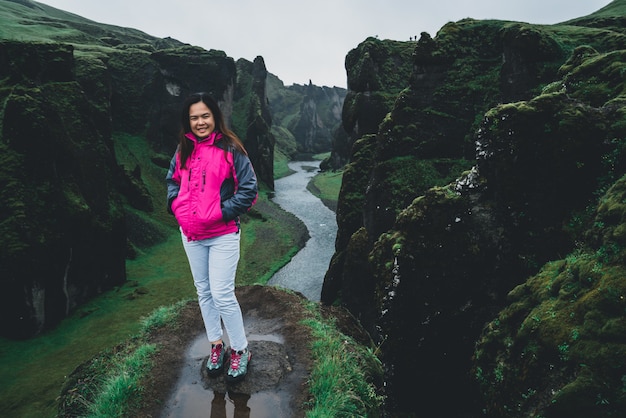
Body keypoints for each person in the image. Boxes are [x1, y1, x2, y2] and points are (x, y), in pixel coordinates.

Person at [165, 92, 258, 383]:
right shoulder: (182, 151)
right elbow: (172, 182)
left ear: (215, 116)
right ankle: (216, 344)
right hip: (191, 234)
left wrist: (218, 212)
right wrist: (176, 207)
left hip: (222, 234)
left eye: (205, 115)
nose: (200, 122)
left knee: (221, 293)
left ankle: (240, 350)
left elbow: (249, 191)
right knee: (203, 291)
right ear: (187, 121)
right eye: (194, 117)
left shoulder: (231, 148)